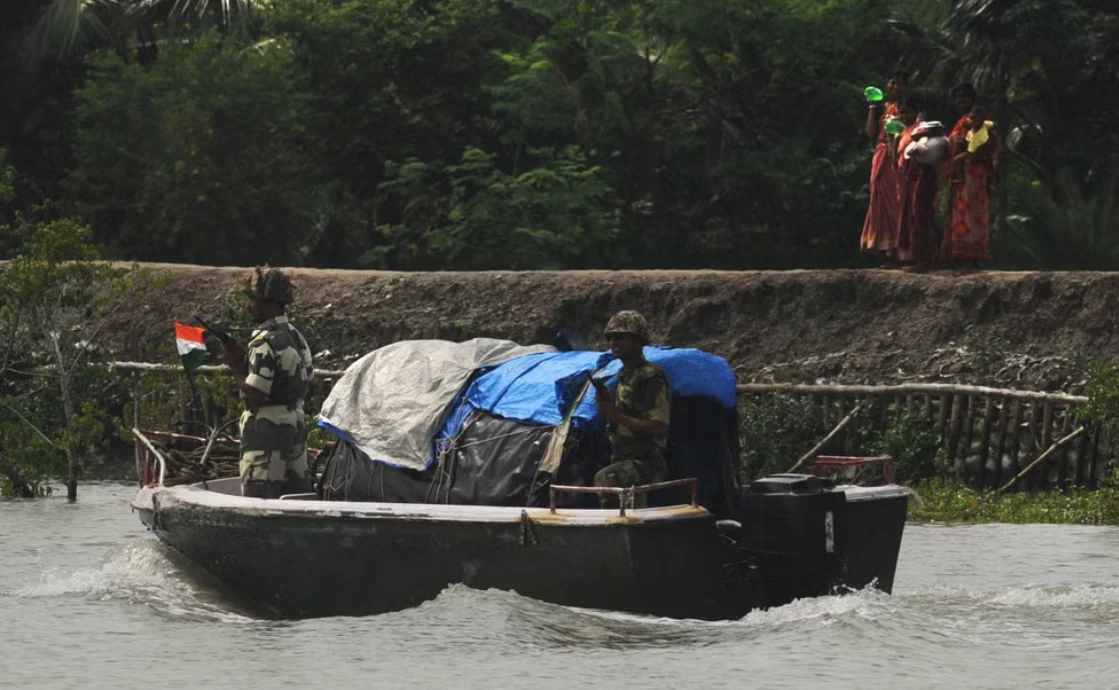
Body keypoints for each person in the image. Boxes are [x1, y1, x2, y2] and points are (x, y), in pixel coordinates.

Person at [219, 266, 315, 499]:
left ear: (265, 302)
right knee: (296, 495)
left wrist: (235, 367)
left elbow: (256, 393)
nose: (249, 306)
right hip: (295, 421)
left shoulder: (263, 340)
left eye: (252, 300)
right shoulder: (295, 335)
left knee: (259, 495)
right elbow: (306, 376)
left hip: (266, 428)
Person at [593, 310, 671, 509]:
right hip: (622, 455)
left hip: (646, 460)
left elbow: (659, 427)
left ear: (638, 341)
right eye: (611, 338)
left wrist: (614, 414)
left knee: (606, 479)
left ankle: (613, 536)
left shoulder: (650, 376)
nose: (614, 343)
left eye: (621, 337)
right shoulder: (624, 375)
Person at [942, 83, 999, 273]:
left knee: (972, 214)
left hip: (975, 174)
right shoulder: (961, 122)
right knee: (959, 214)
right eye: (957, 98)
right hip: (959, 175)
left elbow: (993, 143)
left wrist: (968, 155)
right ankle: (961, 258)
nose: (961, 101)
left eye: (964, 97)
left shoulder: (981, 119)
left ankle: (972, 259)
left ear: (972, 99)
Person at [860, 71, 909, 265]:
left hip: (899, 155)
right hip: (881, 157)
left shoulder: (909, 109)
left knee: (898, 201)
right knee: (879, 202)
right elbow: (871, 132)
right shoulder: (885, 108)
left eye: (901, 84)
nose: (896, 87)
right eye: (893, 82)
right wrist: (873, 106)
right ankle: (883, 248)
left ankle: (902, 250)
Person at [892, 99, 941, 273]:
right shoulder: (904, 131)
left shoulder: (922, 129)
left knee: (920, 213)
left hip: (922, 175)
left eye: (908, 112)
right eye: (902, 113)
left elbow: (927, 151)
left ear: (916, 113)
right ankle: (918, 257)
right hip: (907, 178)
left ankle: (925, 259)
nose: (904, 116)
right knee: (912, 216)